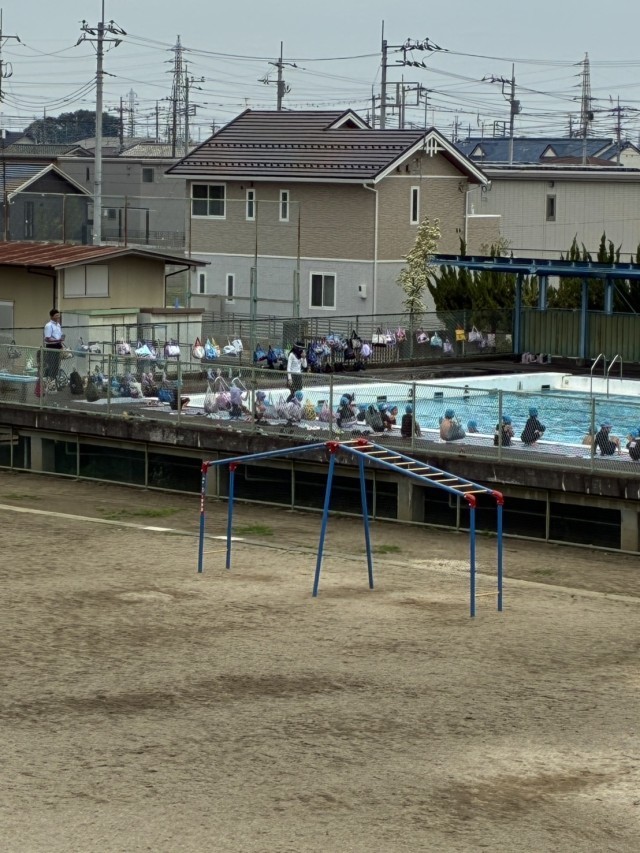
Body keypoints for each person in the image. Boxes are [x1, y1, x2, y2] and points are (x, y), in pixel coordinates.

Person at [43, 308, 64, 384]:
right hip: (51, 347)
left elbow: (59, 336)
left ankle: (55, 382)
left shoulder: (58, 325)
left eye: (59, 315)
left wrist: (61, 342)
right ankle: (50, 382)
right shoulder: (48, 325)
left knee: (57, 365)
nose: (58, 317)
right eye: (56, 315)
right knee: (52, 365)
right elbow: (47, 338)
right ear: (52, 316)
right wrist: (57, 340)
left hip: (58, 346)